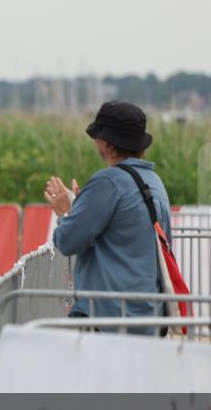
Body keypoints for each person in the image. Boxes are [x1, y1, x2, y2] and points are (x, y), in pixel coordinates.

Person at [45, 101, 172, 329]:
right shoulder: (155, 182)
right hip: (148, 317)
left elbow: (67, 241)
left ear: (108, 143)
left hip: (106, 318)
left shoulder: (108, 182)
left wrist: (65, 211)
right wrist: (84, 205)